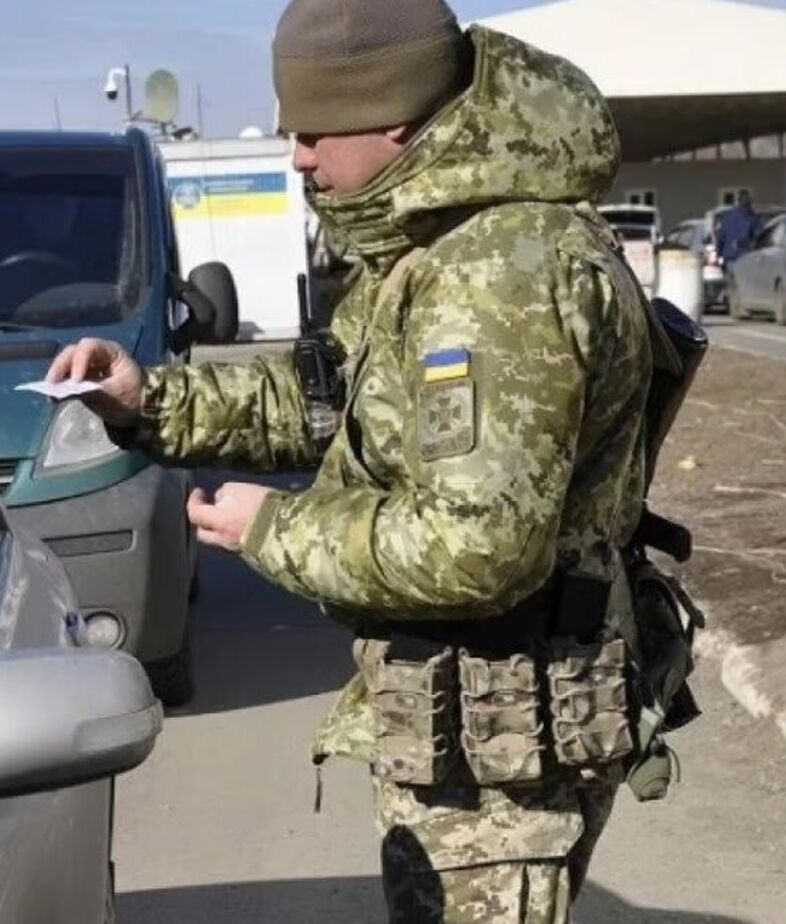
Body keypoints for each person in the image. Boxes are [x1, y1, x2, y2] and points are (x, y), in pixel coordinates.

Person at [47, 1, 657, 919]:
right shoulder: (426, 248)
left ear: (395, 120)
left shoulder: (497, 278)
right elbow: (328, 401)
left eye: (312, 132)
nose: (298, 158)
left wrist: (273, 528)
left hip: (503, 736)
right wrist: (149, 401)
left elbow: (476, 547)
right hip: (471, 723)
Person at [714, 188, 761, 266]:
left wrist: (719, 256)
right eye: (748, 201)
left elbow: (720, 239)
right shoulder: (752, 219)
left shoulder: (727, 217)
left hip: (728, 258)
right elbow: (758, 239)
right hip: (744, 259)